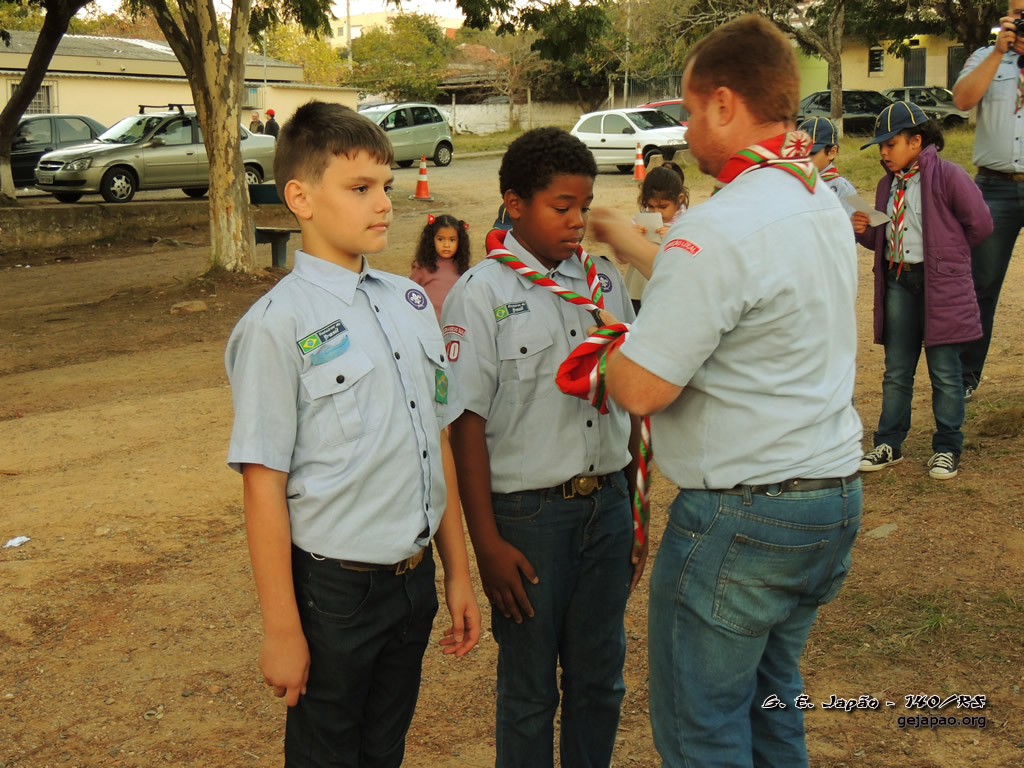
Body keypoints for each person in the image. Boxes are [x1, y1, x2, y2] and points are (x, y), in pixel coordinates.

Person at [587, 15, 863, 767]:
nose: (683, 128)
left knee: (702, 729)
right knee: (773, 706)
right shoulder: (816, 199)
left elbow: (641, 389)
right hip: (827, 497)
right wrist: (624, 237)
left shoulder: (718, 227)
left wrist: (606, 344)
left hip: (744, 517)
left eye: (687, 109)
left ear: (723, 103)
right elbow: (725, 287)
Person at [224, 101, 480, 767]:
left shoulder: (411, 301)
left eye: (386, 186)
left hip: (412, 582)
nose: (384, 204)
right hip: (335, 593)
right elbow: (263, 484)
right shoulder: (275, 326)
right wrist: (282, 629)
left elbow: (437, 441)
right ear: (301, 198)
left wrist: (457, 574)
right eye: (360, 188)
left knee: (384, 749)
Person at [442, 126, 643, 768]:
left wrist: (635, 510)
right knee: (529, 692)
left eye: (585, 206)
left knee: (600, 680)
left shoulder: (603, 283)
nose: (577, 220)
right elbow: (465, 425)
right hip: (529, 520)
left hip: (606, 508)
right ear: (515, 203)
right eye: (562, 206)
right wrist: (486, 543)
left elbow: (630, 396)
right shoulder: (481, 293)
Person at [853, 102, 992, 480]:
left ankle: (947, 446)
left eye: (890, 144)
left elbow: (980, 224)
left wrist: (948, 257)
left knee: (945, 369)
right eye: (881, 146)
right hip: (899, 281)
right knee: (897, 369)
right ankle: (889, 442)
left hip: (940, 284)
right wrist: (864, 231)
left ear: (916, 141)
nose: (884, 153)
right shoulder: (888, 185)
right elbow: (885, 238)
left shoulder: (948, 176)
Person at [952, 0, 1024, 401]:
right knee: (981, 285)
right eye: (1017, 11)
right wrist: (998, 51)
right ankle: (965, 377)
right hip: (994, 187)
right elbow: (962, 101)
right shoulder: (985, 56)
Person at [626, 163, 689, 313]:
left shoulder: (687, 221)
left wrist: (674, 239)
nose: (656, 212)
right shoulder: (641, 218)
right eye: (651, 206)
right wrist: (630, 238)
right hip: (637, 290)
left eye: (663, 207)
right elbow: (622, 257)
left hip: (670, 291)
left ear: (680, 199)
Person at [410, 213, 471, 323]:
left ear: (460, 242)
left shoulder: (462, 269)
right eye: (440, 239)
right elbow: (410, 295)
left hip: (454, 326)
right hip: (427, 325)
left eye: (452, 240)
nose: (446, 245)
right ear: (431, 240)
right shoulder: (422, 267)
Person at [799, 116, 858, 216]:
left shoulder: (842, 187)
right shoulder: (796, 183)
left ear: (832, 152)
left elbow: (853, 222)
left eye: (811, 153)